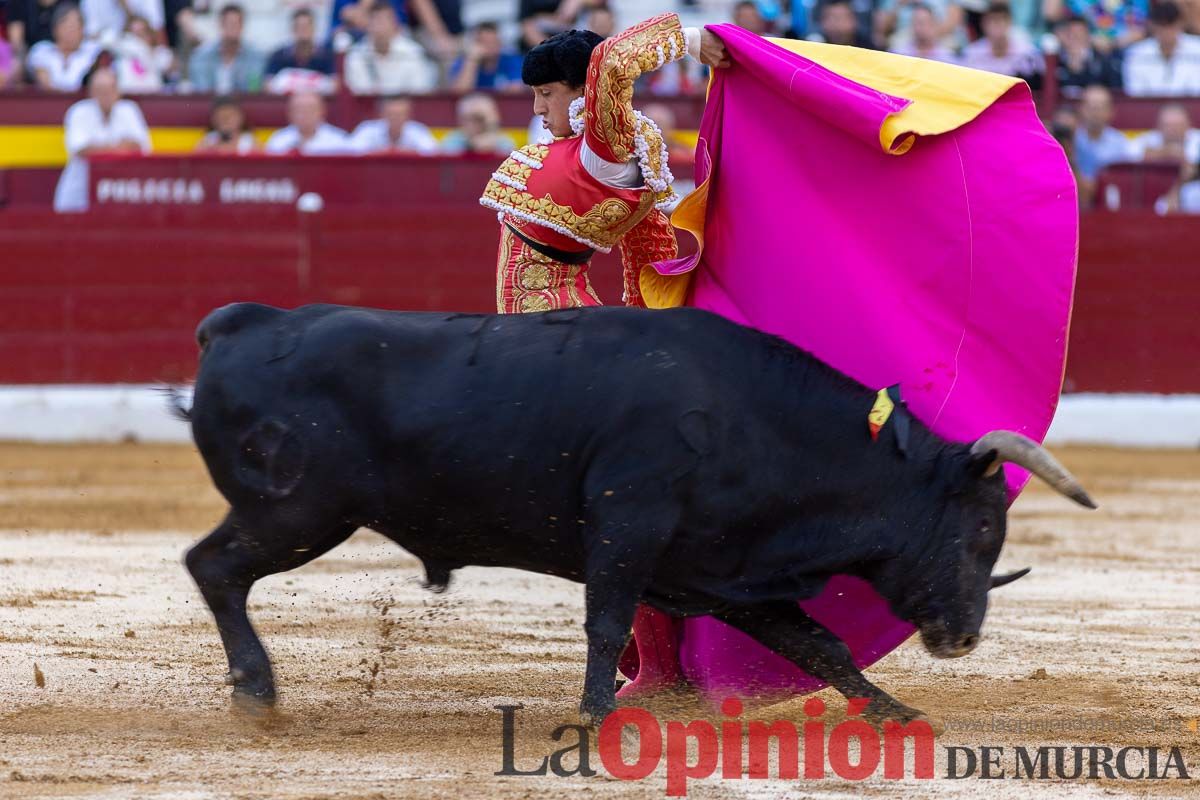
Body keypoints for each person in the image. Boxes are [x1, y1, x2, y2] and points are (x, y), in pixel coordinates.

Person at [478, 15, 729, 699]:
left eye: (547, 95)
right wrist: (652, 328)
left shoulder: (606, 139)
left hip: (551, 339)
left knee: (605, 513)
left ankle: (657, 667)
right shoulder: (627, 147)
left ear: (582, 92)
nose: (538, 111)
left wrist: (688, 36)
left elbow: (616, 63)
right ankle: (647, 659)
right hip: (559, 334)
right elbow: (646, 250)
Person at [55, 66, 150, 212]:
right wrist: (120, 147)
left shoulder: (130, 110)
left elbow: (139, 147)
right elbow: (82, 150)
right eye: (100, 90)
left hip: (120, 192)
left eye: (109, 89)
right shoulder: (78, 111)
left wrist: (99, 148)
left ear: (118, 91)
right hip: (80, 192)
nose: (105, 95)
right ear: (91, 92)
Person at [343, 3, 437, 94]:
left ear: (395, 24)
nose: (380, 26)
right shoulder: (356, 56)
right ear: (367, 25)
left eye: (384, 20)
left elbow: (420, 92)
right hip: (367, 109)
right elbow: (359, 93)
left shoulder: (413, 53)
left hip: (407, 109)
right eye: (375, 20)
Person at [1122, 1, 1200, 96]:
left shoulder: (1198, 48)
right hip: (1148, 109)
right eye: (1162, 26)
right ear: (1153, 26)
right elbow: (1136, 94)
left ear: (1180, 24)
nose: (1166, 32)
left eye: (1170, 26)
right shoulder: (1136, 53)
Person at [187, 3, 265, 93]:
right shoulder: (201, 56)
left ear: (242, 26)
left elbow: (253, 91)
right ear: (220, 24)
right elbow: (202, 91)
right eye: (230, 24)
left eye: (237, 24)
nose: (233, 28)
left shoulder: (255, 57)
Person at [961, 1, 1043, 83]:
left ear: (1009, 22)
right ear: (983, 24)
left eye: (1001, 20)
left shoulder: (1027, 53)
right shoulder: (971, 53)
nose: (997, 25)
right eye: (992, 20)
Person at [1073, 85, 1131, 187]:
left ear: (1111, 111)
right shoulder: (1072, 139)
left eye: (1101, 108)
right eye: (1091, 107)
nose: (1095, 113)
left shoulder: (1120, 142)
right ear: (1081, 109)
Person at [264, 8, 335, 88]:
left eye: (307, 26)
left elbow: (334, 85)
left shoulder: (327, 56)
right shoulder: (278, 56)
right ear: (292, 29)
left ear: (314, 28)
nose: (303, 30)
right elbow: (268, 86)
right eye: (299, 27)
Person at [264, 91, 352, 154]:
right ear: (290, 113)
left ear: (322, 111)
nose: (304, 115)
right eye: (298, 110)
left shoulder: (339, 141)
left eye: (310, 109)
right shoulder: (278, 140)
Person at [1052, 15, 1121, 93]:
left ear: (1088, 35)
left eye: (1080, 33)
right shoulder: (1054, 61)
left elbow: (1114, 91)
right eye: (1072, 34)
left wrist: (1082, 69)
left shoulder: (1103, 60)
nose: (1076, 38)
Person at [349, 95, 440, 154]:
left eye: (400, 115)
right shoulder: (367, 129)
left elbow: (432, 153)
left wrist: (398, 153)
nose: (396, 119)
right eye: (391, 114)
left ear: (408, 115)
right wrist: (385, 154)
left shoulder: (419, 131)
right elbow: (351, 152)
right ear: (382, 114)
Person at [449, 21, 524, 92]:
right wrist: (472, 60)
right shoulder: (463, 62)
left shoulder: (512, 60)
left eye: (493, 42)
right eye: (484, 42)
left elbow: (517, 90)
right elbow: (458, 93)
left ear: (500, 43)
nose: (490, 47)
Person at [441, 93, 516, 155]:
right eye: (469, 118)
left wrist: (493, 144)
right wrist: (471, 146)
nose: (474, 123)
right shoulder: (452, 140)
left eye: (480, 118)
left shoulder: (504, 141)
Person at [113, 15, 171, 92]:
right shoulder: (121, 50)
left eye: (142, 33)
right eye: (134, 34)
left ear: (150, 33)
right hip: (128, 95)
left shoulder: (161, 53)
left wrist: (148, 51)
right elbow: (107, 39)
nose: (138, 39)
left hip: (154, 96)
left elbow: (166, 67)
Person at [1130, 103, 1200, 164]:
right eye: (1168, 125)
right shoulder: (1148, 138)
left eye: (1178, 125)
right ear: (1159, 126)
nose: (1173, 130)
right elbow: (1131, 154)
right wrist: (1166, 152)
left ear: (1188, 125)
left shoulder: (1197, 137)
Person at [891, 3, 959, 61]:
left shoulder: (947, 57)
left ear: (934, 24)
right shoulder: (898, 54)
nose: (919, 27)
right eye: (916, 22)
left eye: (923, 23)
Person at [81, 0, 163, 43]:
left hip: (142, 52)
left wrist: (126, 7)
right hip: (107, 53)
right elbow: (90, 35)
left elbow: (156, 32)